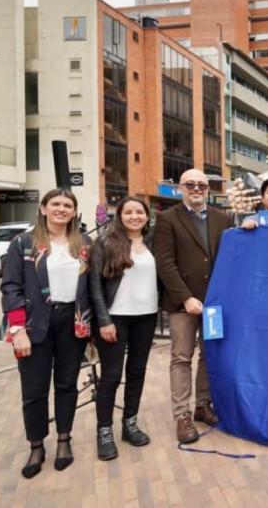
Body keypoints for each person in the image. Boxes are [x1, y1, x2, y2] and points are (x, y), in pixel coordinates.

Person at [1, 188, 92, 478]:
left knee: (66, 385)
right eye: (55, 204)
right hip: (34, 324)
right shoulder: (24, 243)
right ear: (43, 208)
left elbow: (92, 286)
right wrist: (17, 329)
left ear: (74, 212)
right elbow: (11, 286)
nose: (61, 209)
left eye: (68, 205)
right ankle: (36, 445)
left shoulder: (83, 244)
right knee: (34, 390)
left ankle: (64, 440)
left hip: (72, 322)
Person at [154, 169, 228, 444]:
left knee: (209, 355)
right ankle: (182, 415)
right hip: (183, 304)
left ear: (208, 189)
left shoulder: (224, 218)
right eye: (190, 185)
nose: (196, 189)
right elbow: (165, 263)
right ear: (180, 188)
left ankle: (202, 404)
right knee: (181, 358)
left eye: (201, 185)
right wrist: (185, 297)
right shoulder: (167, 219)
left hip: (214, 303)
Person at [88, 197, 158, 461]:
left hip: (146, 317)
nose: (134, 216)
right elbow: (95, 285)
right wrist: (103, 320)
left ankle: (130, 423)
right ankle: (104, 432)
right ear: (119, 215)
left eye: (139, 212)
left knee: (137, 372)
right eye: (128, 212)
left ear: (147, 216)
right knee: (111, 376)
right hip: (115, 318)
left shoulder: (153, 242)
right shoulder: (105, 242)